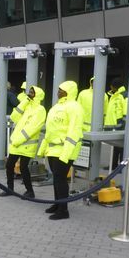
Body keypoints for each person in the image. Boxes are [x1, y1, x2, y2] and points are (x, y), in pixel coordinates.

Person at [38, 81, 84, 220]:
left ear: (68, 91)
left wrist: (66, 152)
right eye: (58, 89)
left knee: (60, 178)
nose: (58, 92)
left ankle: (63, 210)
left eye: (61, 90)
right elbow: (50, 129)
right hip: (53, 149)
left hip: (65, 149)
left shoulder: (75, 107)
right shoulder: (57, 106)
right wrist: (44, 148)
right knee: (56, 178)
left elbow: (74, 130)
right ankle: (57, 204)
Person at [0, 86, 46, 199]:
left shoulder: (40, 110)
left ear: (37, 95)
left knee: (23, 167)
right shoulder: (27, 105)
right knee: (9, 165)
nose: (29, 93)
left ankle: (30, 191)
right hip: (17, 142)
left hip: (27, 144)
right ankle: (10, 189)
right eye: (29, 92)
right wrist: (25, 101)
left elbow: (32, 128)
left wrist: (18, 140)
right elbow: (14, 117)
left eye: (32, 92)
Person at [104, 78, 127, 169]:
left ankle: (120, 167)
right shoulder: (116, 95)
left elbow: (124, 110)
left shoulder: (123, 96)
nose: (110, 87)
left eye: (111, 86)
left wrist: (121, 123)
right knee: (115, 146)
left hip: (119, 125)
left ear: (114, 87)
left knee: (121, 147)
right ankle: (114, 165)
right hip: (115, 125)